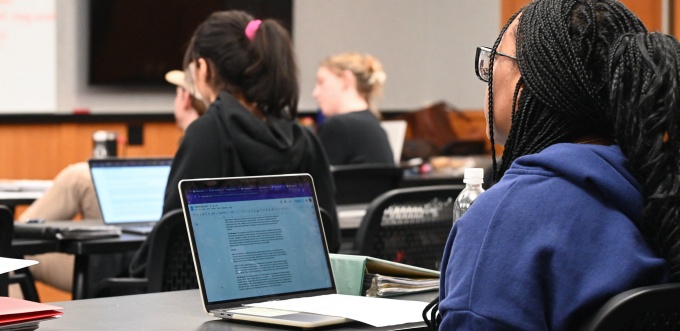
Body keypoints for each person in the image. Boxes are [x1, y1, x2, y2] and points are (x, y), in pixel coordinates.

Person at [436, 0, 677, 330]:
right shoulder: (661, 185)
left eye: (496, 58)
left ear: (534, 81)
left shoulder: (507, 219)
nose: (489, 72)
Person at [139, 10, 338, 268]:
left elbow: (171, 246)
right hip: (297, 298)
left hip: (207, 303)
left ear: (203, 68)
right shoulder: (305, 139)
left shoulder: (206, 134)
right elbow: (329, 242)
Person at [16, 69, 206, 294]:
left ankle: (10, 237)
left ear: (184, 98)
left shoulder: (194, 150)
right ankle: (11, 236)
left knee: (15, 253)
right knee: (78, 178)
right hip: (152, 261)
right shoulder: (216, 147)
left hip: (135, 268)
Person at [312, 52, 394, 166]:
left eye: (321, 82)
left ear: (346, 79)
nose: (315, 93)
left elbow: (314, 181)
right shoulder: (374, 124)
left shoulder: (337, 126)